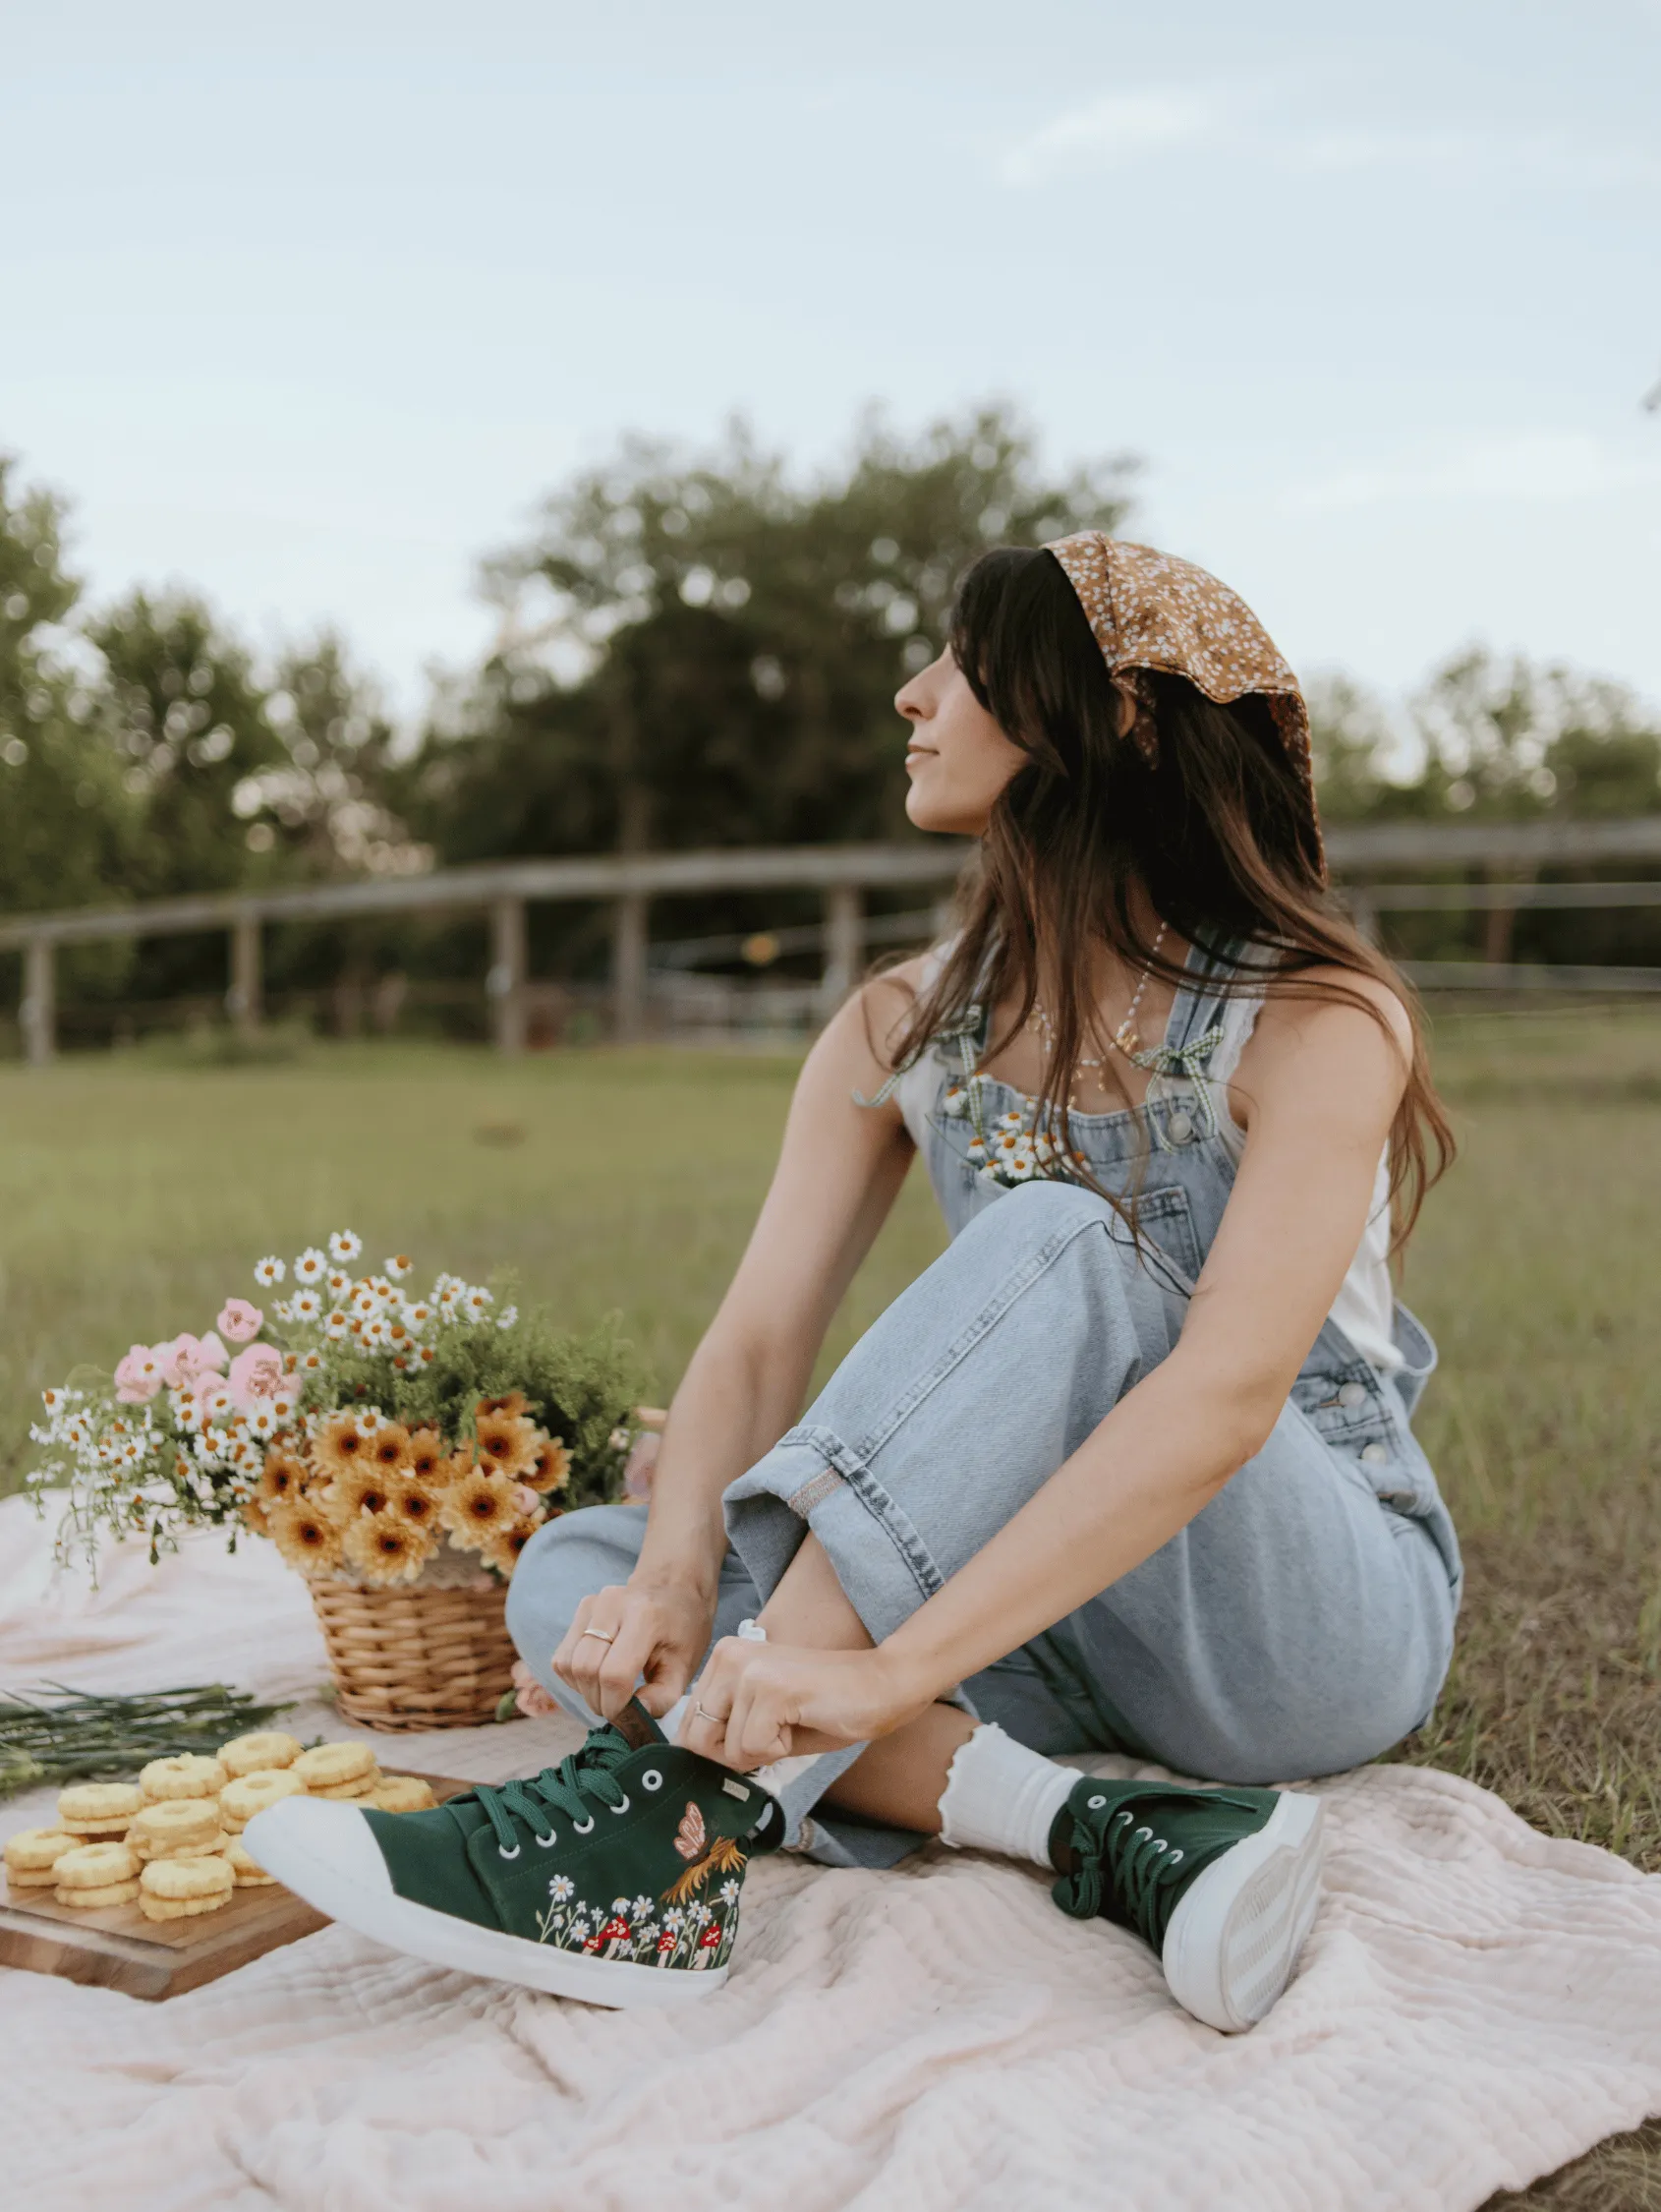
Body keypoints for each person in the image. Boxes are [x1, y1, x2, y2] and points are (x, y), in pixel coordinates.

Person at [249, 536, 1461, 2032]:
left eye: (960, 663)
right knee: (586, 1578)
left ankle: (656, 1838)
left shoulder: (1310, 1016)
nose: (911, 694)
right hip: (1043, 1623)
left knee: (1058, 1236)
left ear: (1097, 723)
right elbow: (758, 1340)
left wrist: (893, 1670)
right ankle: (1094, 1829)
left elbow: (1220, 1400)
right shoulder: (908, 1021)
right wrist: (679, 1572)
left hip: (1297, 1622)